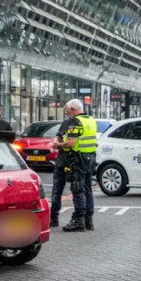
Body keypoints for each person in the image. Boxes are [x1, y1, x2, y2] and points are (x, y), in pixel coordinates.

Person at [56, 98, 97, 232]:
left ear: (73, 110)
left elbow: (71, 143)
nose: (68, 114)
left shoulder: (76, 121)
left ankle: (78, 221)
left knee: (78, 189)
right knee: (88, 188)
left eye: (68, 112)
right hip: (90, 158)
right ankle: (88, 220)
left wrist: (59, 145)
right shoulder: (90, 120)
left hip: (78, 159)